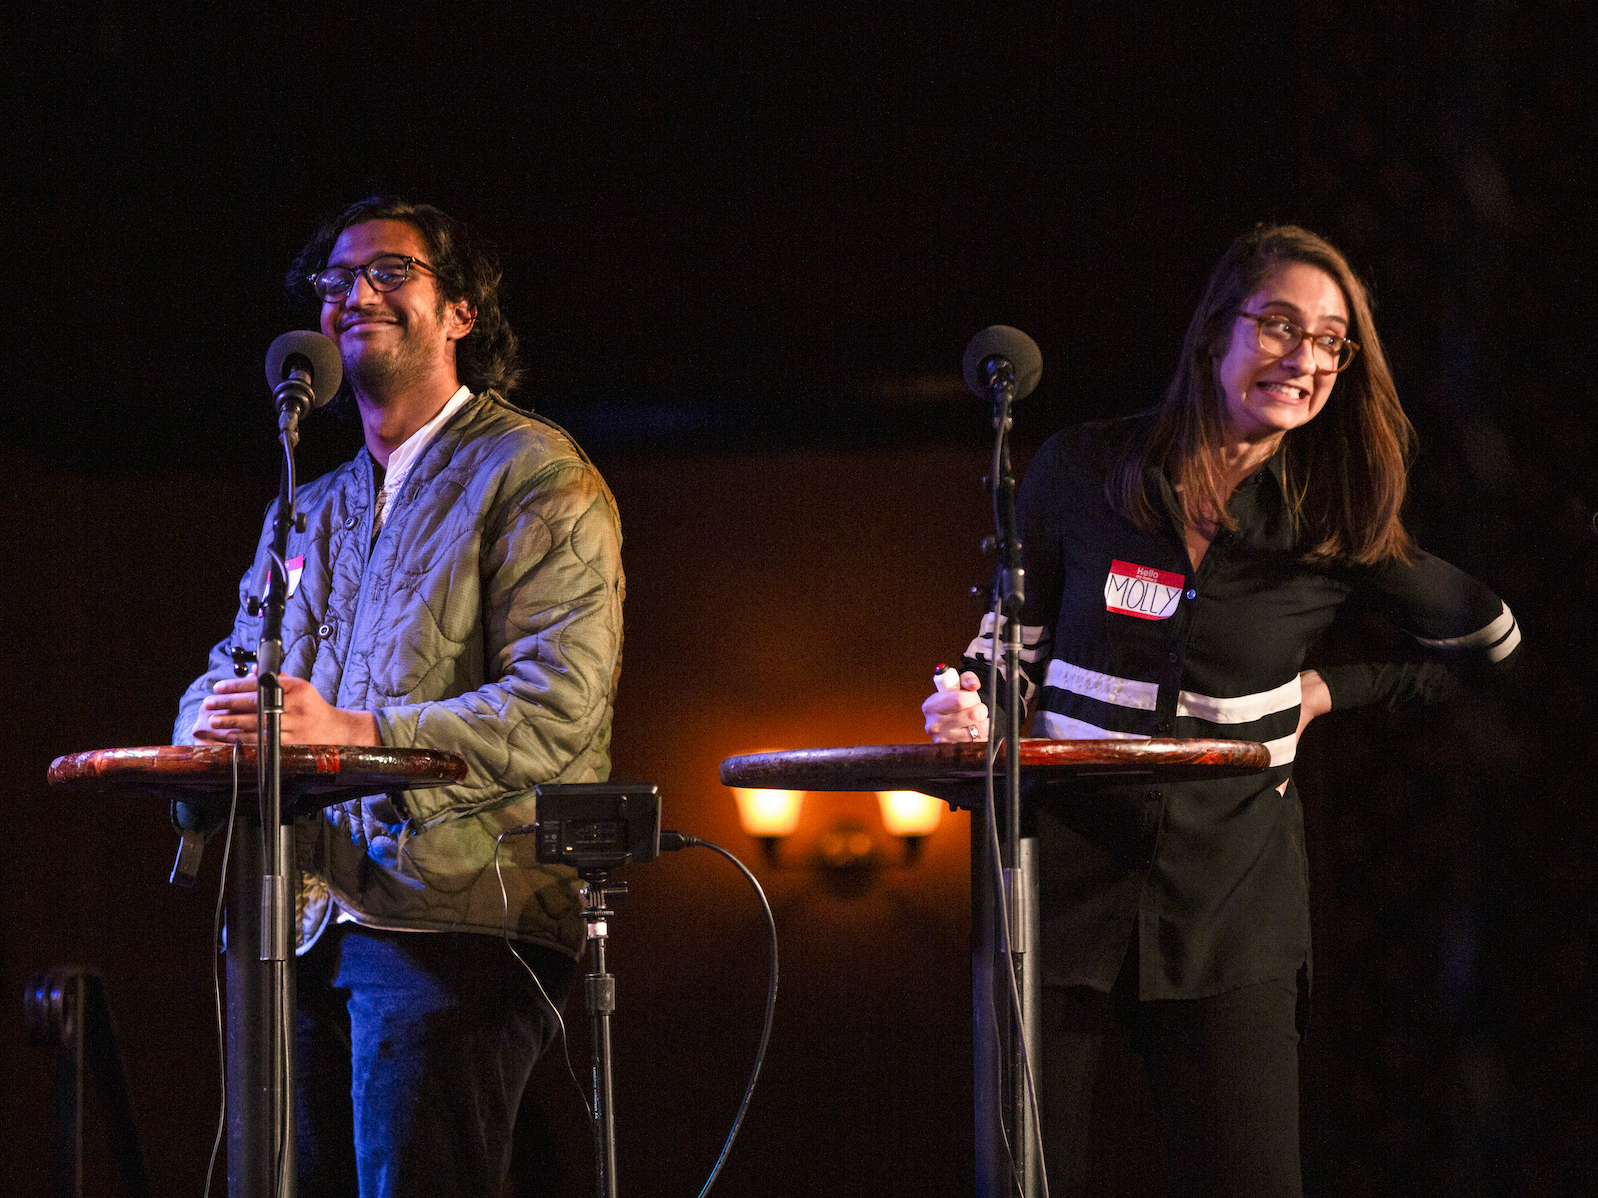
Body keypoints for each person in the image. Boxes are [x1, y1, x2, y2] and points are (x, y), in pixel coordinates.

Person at [922, 225, 1518, 1197]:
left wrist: (1330, 691)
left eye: (1330, 340)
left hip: (1229, 911)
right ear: (1212, 335)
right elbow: (1004, 655)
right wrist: (967, 713)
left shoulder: (1334, 517)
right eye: (1280, 324)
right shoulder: (1081, 469)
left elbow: (1489, 644)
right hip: (1054, 891)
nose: (1306, 357)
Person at [174, 197, 625, 1197]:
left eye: (389, 272)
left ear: (461, 310)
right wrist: (210, 722)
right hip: (304, 914)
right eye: (335, 283)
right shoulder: (314, 499)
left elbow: (558, 706)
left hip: (457, 919)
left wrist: (358, 732)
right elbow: (236, 657)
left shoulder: (534, 471)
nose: (353, 296)